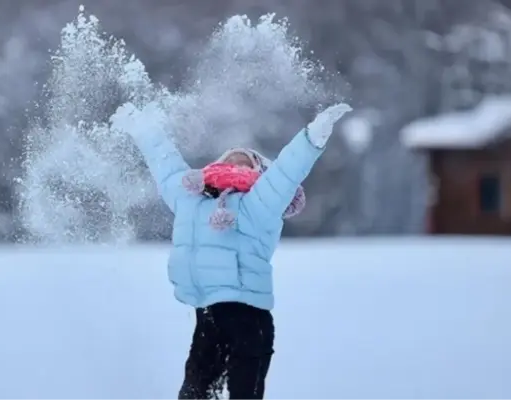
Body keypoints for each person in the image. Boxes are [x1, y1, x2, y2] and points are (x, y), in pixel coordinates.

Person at [111, 101, 352, 400]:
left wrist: (313, 136)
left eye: (245, 163)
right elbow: (166, 165)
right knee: (193, 394)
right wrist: (142, 127)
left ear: (259, 174)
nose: (236, 167)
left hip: (249, 320)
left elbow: (287, 171)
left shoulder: (260, 204)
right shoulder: (191, 201)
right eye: (230, 161)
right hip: (208, 317)